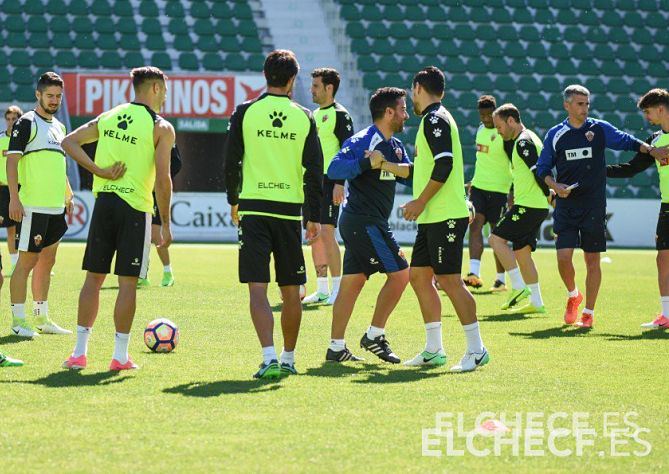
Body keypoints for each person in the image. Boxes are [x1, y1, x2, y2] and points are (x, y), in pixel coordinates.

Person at [61, 66, 173, 371]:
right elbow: (163, 180)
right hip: (135, 209)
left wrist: (98, 172)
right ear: (154, 88)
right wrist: (165, 222)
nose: (165, 95)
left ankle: (79, 353)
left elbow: (68, 142)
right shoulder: (161, 127)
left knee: (93, 279)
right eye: (164, 89)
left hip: (105, 204)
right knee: (126, 284)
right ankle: (119, 356)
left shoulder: (109, 116)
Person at [224, 50, 323, 379]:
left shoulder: (245, 112)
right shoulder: (304, 116)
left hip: (253, 207)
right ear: (293, 79)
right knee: (291, 290)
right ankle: (289, 358)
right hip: (287, 212)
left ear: (265, 75)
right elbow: (314, 171)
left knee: (257, 288)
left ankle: (268, 357)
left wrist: (233, 200)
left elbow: (231, 162)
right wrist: (313, 216)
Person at [536, 85, 669, 328]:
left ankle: (588, 312)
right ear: (567, 105)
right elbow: (542, 168)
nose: (585, 108)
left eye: (587, 103)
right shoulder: (555, 134)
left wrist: (651, 150)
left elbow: (626, 141)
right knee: (564, 258)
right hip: (566, 204)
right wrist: (555, 185)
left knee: (592, 260)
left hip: (594, 205)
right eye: (580, 104)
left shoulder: (598, 128)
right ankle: (573, 295)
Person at [401, 67, 489, 372]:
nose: (411, 97)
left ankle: (476, 350)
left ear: (418, 88)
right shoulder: (434, 119)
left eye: (412, 92)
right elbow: (427, 168)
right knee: (419, 277)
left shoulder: (435, 120)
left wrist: (420, 201)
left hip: (445, 216)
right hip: (434, 217)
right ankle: (434, 349)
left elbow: (445, 165)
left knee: (450, 281)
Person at [326, 87, 412, 364]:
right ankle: (374, 336)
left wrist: (386, 164)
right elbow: (334, 169)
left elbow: (410, 174)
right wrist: (365, 163)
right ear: (388, 112)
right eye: (402, 109)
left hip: (367, 222)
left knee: (352, 284)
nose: (406, 114)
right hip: (363, 222)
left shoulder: (395, 146)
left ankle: (336, 348)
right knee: (400, 275)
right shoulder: (363, 140)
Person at [6, 72, 72, 338]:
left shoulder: (60, 127)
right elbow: (12, 161)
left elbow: (59, 164)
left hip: (56, 206)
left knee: (48, 262)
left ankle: (42, 318)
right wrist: (14, 197)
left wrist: (68, 194)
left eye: (58, 96)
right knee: (26, 263)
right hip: (33, 206)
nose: (54, 100)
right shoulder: (26, 122)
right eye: (50, 96)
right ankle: (18, 321)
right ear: (38, 95)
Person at [606, 88, 669, 330]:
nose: (647, 117)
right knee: (663, 259)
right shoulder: (654, 141)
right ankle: (666, 314)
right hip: (667, 206)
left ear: (661, 109)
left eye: (649, 112)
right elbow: (631, 169)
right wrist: (599, 171)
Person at [489, 104, 551, 314]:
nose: (498, 131)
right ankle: (537, 302)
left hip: (529, 205)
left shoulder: (523, 142)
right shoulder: (528, 137)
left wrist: (549, 194)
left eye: (499, 126)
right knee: (522, 253)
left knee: (496, 239)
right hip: (536, 205)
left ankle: (517, 286)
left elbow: (539, 172)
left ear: (511, 121)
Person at [301, 68, 354, 305]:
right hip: (312, 182)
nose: (312, 90)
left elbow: (347, 151)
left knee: (328, 233)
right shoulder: (313, 115)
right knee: (314, 234)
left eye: (315, 86)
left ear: (328, 88)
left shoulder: (341, 115)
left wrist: (339, 183)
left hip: (330, 181)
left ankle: (338, 288)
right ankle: (322, 288)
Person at [464, 95, 512, 291]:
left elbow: (514, 163)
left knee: (497, 236)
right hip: (479, 188)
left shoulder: (505, 134)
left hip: (500, 190)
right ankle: (474, 273)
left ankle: (500, 279)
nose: (485, 119)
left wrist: (512, 192)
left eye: (488, 115)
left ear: (495, 113)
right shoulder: (480, 130)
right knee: (475, 227)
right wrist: (473, 182)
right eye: (481, 115)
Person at [137, 143, 182, 288]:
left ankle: (168, 273)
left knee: (155, 235)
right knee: (140, 234)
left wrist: (160, 177)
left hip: (156, 192)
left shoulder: (163, 131)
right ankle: (142, 274)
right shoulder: (139, 131)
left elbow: (177, 163)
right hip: (139, 189)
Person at [0, 105, 21, 276]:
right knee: (10, 228)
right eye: (8, 119)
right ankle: (14, 264)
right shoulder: (0, 139)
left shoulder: (24, 141)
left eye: (14, 119)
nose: (10, 122)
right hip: (3, 189)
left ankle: (33, 263)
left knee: (27, 227)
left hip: (23, 187)